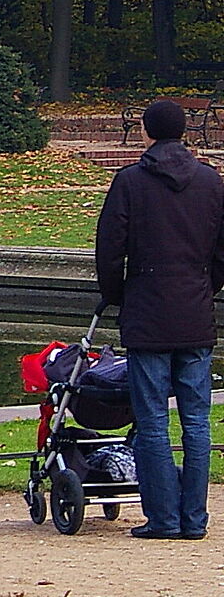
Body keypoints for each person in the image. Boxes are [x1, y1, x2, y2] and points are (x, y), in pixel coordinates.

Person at [94, 98, 224, 540]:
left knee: (152, 421)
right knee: (196, 422)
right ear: (183, 131)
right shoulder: (210, 181)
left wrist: (118, 296)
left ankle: (164, 518)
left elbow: (110, 248)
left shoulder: (130, 181)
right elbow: (222, 249)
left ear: (146, 132)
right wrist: (205, 286)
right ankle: (195, 518)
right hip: (195, 312)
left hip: (148, 311)